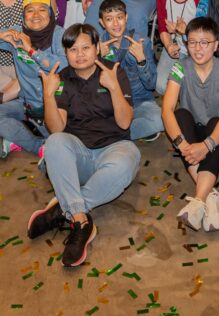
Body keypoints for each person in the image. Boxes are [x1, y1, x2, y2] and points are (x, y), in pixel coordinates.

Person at [29, 23, 141, 267]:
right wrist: (48, 96)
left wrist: (114, 87)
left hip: (114, 148)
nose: (79, 54)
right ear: (66, 53)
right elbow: (57, 128)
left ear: (97, 48)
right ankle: (81, 221)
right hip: (79, 155)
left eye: (85, 48)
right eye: (73, 50)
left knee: (127, 161)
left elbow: (124, 122)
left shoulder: (114, 71)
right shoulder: (62, 78)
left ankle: (66, 210)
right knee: (55, 142)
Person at [162, 16, 219, 231]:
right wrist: (182, 145)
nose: (198, 48)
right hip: (193, 135)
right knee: (180, 114)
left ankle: (198, 199)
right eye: (193, 42)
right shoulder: (180, 67)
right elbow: (167, 110)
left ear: (215, 45)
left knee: (217, 121)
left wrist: (206, 145)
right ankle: (207, 199)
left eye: (204, 42)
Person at [0, 0, 66, 159]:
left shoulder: (59, 35)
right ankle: (38, 146)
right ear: (23, 17)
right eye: (30, 10)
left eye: (42, 9)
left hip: (56, 107)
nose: (36, 15)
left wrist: (31, 50)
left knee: (62, 137)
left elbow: (62, 64)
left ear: (50, 14)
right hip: (28, 104)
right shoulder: (18, 35)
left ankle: (23, 139)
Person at [98, 0, 162, 141]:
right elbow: (93, 86)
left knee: (160, 120)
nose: (116, 23)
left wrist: (141, 60)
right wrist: (97, 57)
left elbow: (151, 85)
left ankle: (112, 135)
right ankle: (127, 130)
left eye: (119, 17)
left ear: (126, 18)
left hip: (140, 101)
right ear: (102, 22)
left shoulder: (141, 42)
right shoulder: (98, 45)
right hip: (111, 102)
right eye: (109, 19)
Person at [155, 0, 208, 95]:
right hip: (175, 46)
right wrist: (169, 46)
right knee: (161, 85)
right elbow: (162, 27)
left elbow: (206, 36)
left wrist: (185, 32)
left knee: (194, 88)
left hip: (195, 49)